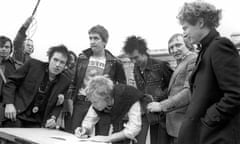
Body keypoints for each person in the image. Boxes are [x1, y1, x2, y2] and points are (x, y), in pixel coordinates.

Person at [176, 1, 240, 144]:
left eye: (185, 27)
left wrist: (208, 121)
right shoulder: (206, 49)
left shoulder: (219, 46)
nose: (184, 33)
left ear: (200, 22)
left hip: (216, 136)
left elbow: (236, 93)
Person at [65, 25, 126, 133]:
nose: (92, 41)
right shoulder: (82, 58)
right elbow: (73, 83)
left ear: (104, 42)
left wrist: (111, 102)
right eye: (90, 38)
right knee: (75, 137)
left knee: (100, 139)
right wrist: (70, 103)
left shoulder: (115, 62)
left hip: (102, 105)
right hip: (81, 102)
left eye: (96, 38)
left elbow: (122, 87)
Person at [1, 45, 72, 128]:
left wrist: (53, 118)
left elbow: (59, 104)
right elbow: (11, 82)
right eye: (55, 60)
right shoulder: (33, 65)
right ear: (49, 59)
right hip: (16, 114)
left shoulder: (65, 81)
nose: (57, 65)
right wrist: (9, 104)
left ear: (65, 66)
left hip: (36, 121)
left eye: (62, 62)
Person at [147, 33, 197, 144]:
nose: (174, 50)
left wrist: (161, 105)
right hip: (175, 125)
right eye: (171, 48)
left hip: (184, 125)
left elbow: (189, 92)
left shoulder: (193, 60)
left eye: (178, 45)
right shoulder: (182, 63)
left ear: (188, 45)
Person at [122, 36, 173, 144]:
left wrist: (157, 98)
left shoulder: (161, 65)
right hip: (148, 113)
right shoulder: (136, 68)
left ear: (144, 52)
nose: (133, 61)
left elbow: (173, 87)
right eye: (131, 59)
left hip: (162, 114)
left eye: (136, 57)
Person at [74, 75, 142, 144]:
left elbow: (134, 128)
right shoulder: (98, 99)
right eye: (92, 102)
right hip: (121, 119)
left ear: (107, 98)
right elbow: (89, 120)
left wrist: (108, 138)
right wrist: (84, 130)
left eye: (95, 102)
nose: (93, 105)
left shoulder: (129, 95)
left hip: (143, 115)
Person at [0, 36, 22, 102]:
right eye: (1, 46)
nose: (3, 49)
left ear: (11, 49)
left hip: (10, 103)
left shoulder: (18, 66)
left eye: (7, 47)